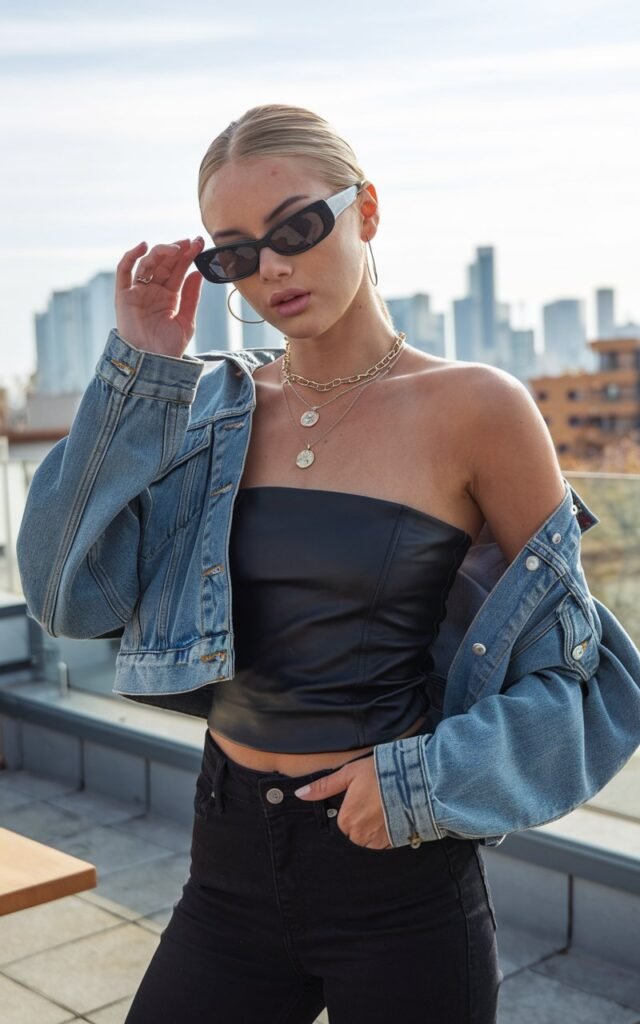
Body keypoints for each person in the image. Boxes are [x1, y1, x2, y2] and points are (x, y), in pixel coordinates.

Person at [16, 104, 640, 1024]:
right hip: (225, 851)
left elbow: (585, 677)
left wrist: (423, 785)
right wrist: (142, 370)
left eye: (298, 228)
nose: (271, 269)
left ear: (368, 211)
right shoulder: (213, 409)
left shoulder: (478, 408)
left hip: (397, 871)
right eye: (234, 252)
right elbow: (66, 593)